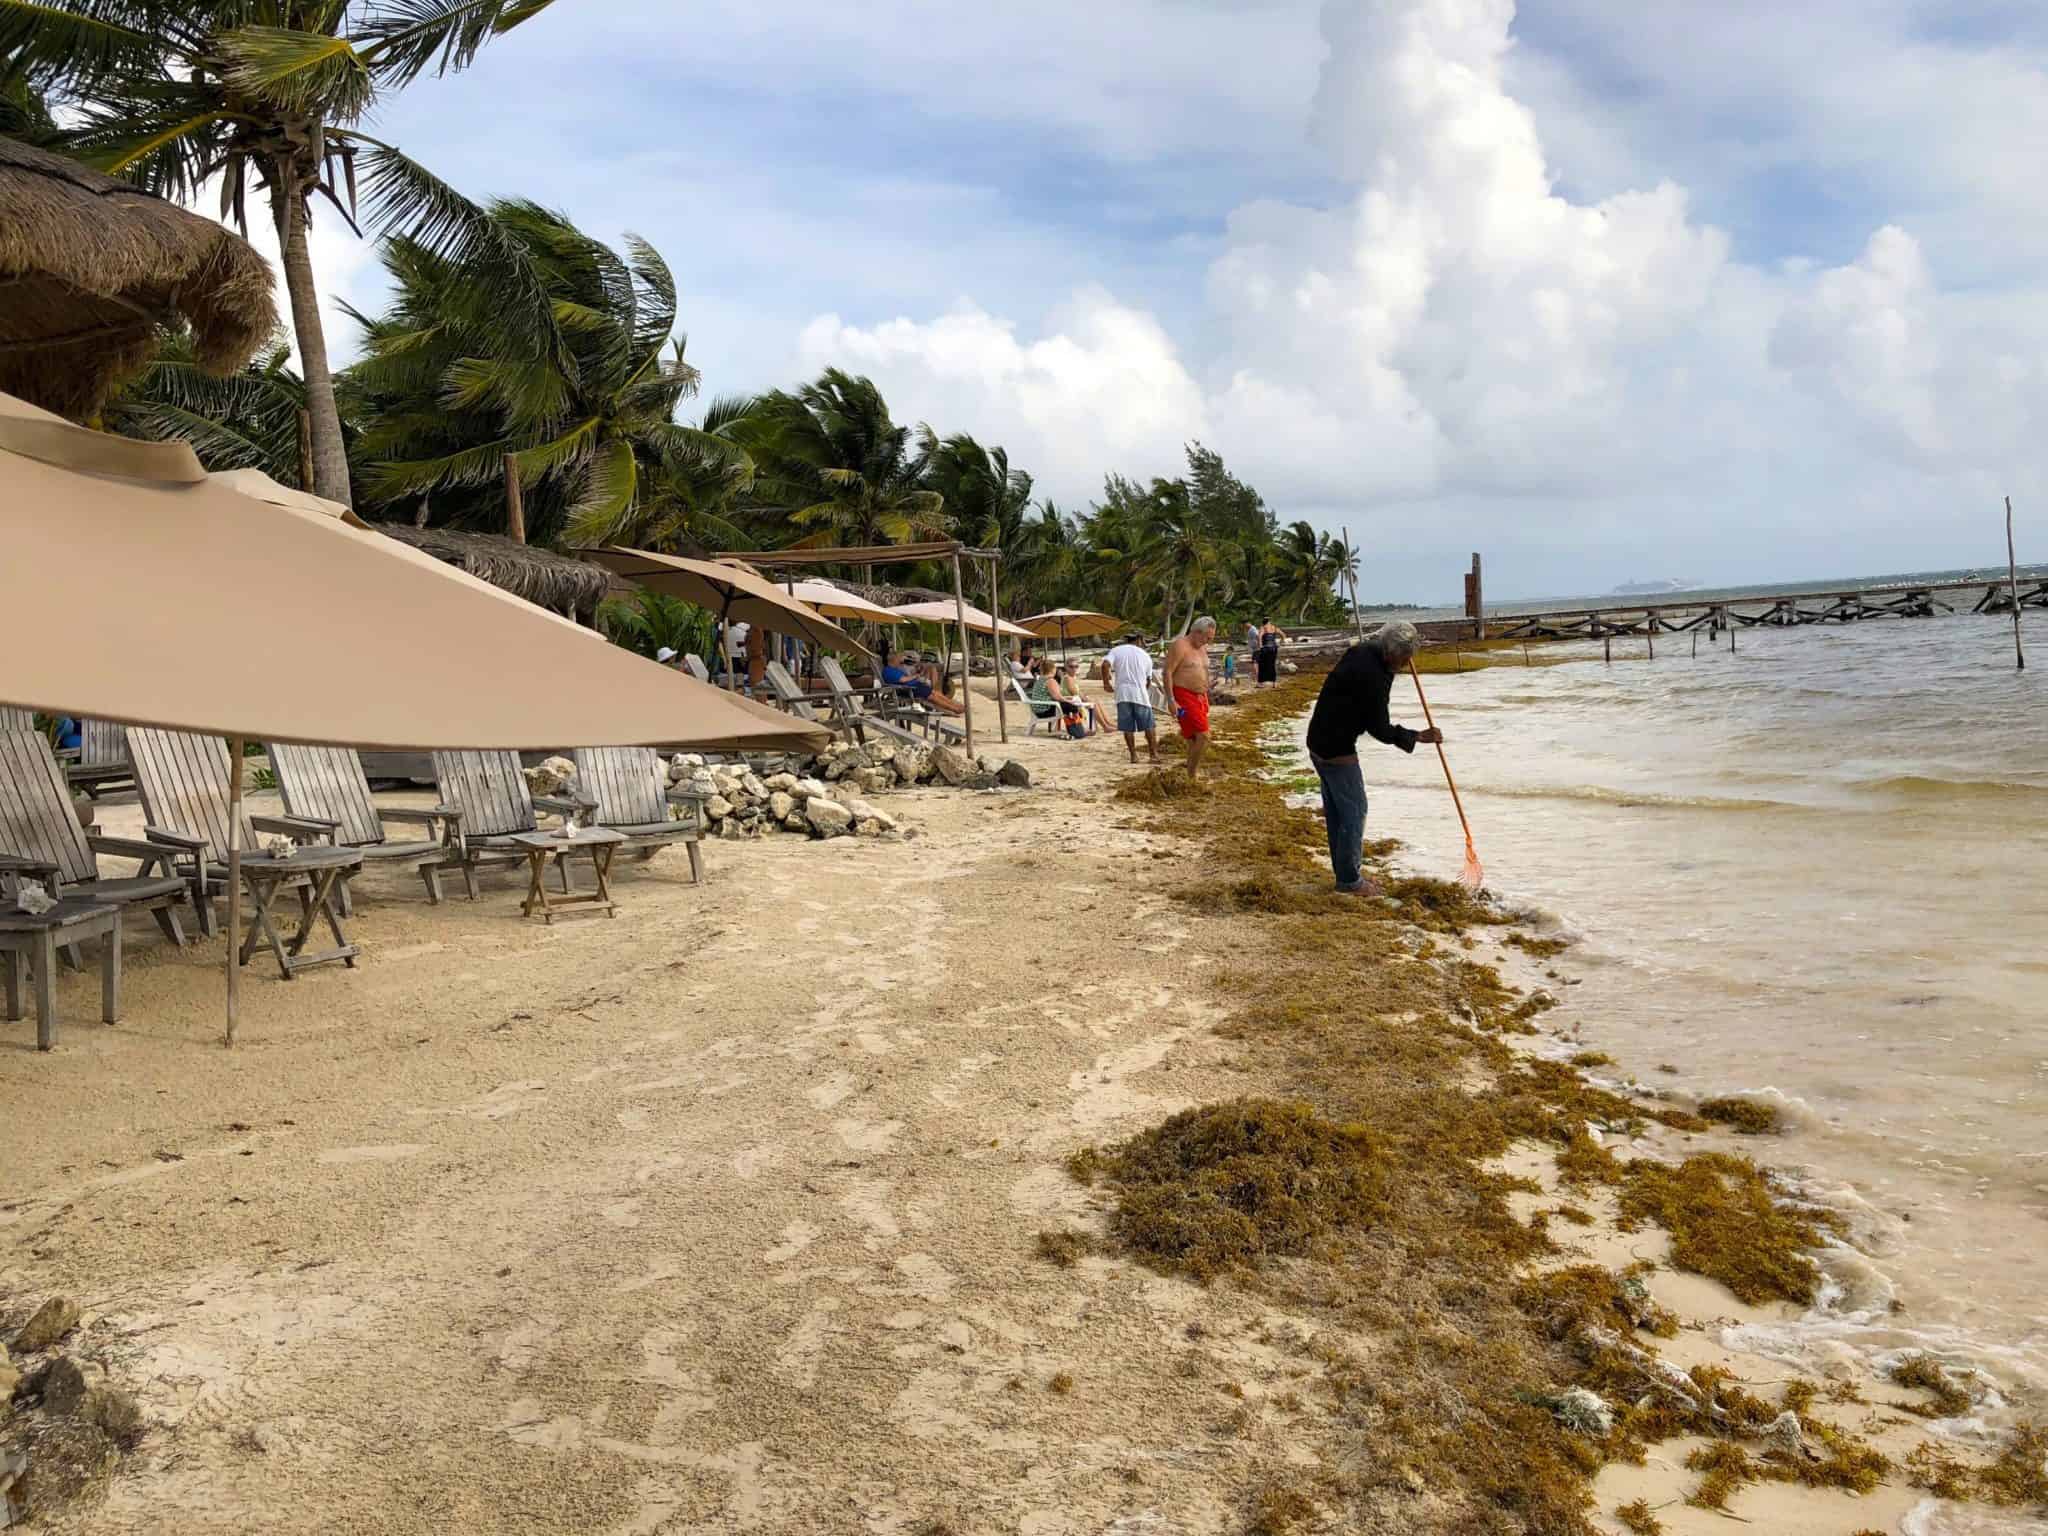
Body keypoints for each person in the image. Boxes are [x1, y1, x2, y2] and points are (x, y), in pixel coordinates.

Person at [1304, 621, 1441, 896]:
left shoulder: (1363, 650)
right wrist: (1418, 736)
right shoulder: (1375, 676)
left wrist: (1393, 669)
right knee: (1354, 813)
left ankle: (1345, 875)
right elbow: (1379, 729)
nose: (1406, 664)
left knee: (1338, 814)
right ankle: (1350, 882)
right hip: (1335, 747)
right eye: (1404, 659)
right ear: (1391, 653)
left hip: (1318, 737)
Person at [1164, 616, 1217, 780]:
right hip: (1183, 696)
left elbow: (1202, 669)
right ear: (1196, 632)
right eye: (1207, 637)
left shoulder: (1201, 648)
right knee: (1204, 735)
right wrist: (1171, 701)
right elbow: (1167, 672)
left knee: (1193, 737)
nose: (1208, 641)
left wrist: (1208, 686)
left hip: (1201, 697)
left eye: (1211, 638)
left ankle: (1189, 774)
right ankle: (1192, 775)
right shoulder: (1180, 645)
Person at [1100, 632, 1159, 764]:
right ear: (1139, 640)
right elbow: (1148, 681)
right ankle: (1153, 755)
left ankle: (1133, 756)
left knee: (1127, 727)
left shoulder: (1116, 650)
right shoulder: (1146, 656)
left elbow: (1105, 665)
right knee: (1149, 726)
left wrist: (1106, 682)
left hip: (1122, 695)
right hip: (1140, 695)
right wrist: (1144, 689)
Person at [882, 651, 965, 715]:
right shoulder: (888, 671)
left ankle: (956, 705)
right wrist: (916, 676)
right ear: (893, 660)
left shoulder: (895, 669)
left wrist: (917, 674)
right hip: (908, 689)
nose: (900, 660)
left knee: (935, 693)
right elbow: (903, 680)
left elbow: (905, 677)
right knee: (933, 696)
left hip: (913, 686)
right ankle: (954, 709)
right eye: (898, 658)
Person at [1029, 659, 1087, 736]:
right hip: (1046, 711)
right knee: (1072, 707)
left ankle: (1077, 730)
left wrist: (1067, 698)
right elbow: (1057, 697)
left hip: (1037, 710)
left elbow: (1051, 696)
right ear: (1053, 669)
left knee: (1069, 705)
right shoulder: (1050, 681)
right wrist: (1069, 701)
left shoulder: (1039, 680)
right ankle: (1078, 732)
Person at [1058, 660, 1115, 735]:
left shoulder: (1071, 677)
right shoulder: (1067, 678)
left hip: (1074, 699)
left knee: (1095, 701)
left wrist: (1086, 697)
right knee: (1093, 703)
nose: (1074, 669)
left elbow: (1078, 692)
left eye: (1076, 666)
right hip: (1070, 701)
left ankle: (1108, 723)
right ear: (1066, 667)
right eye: (1071, 667)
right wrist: (1086, 699)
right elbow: (1075, 693)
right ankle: (1105, 726)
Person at [1255, 619, 1288, 688]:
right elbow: (1283, 635)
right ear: (1269, 622)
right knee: (1272, 665)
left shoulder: (1263, 627)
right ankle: (1274, 683)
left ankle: (1260, 683)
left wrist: (1260, 646)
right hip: (1273, 648)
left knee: (1262, 665)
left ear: (1263, 623)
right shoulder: (1274, 627)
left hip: (1265, 648)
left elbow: (1259, 636)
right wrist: (1280, 643)